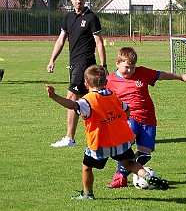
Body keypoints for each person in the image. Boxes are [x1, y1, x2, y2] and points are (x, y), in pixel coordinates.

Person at [45, 65, 169, 200]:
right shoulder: (113, 96)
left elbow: (72, 105)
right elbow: (127, 110)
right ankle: (147, 176)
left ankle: (88, 194)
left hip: (100, 143)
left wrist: (54, 96)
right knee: (130, 163)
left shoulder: (87, 101)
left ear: (86, 84)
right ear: (105, 82)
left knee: (86, 167)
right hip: (120, 141)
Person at [106, 47, 186, 188]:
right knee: (126, 147)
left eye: (132, 67)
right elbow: (101, 97)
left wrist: (180, 77)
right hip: (128, 118)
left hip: (148, 118)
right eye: (126, 67)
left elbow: (161, 75)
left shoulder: (142, 73)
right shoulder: (110, 80)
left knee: (145, 155)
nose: (130, 71)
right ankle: (119, 177)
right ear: (117, 63)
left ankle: (122, 174)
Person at [47, 0, 107, 148]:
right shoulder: (68, 18)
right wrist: (52, 59)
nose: (78, 1)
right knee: (93, 100)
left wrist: (103, 64)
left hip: (85, 64)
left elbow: (99, 42)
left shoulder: (91, 18)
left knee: (71, 99)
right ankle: (106, 132)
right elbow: (61, 40)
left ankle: (69, 138)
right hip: (74, 65)